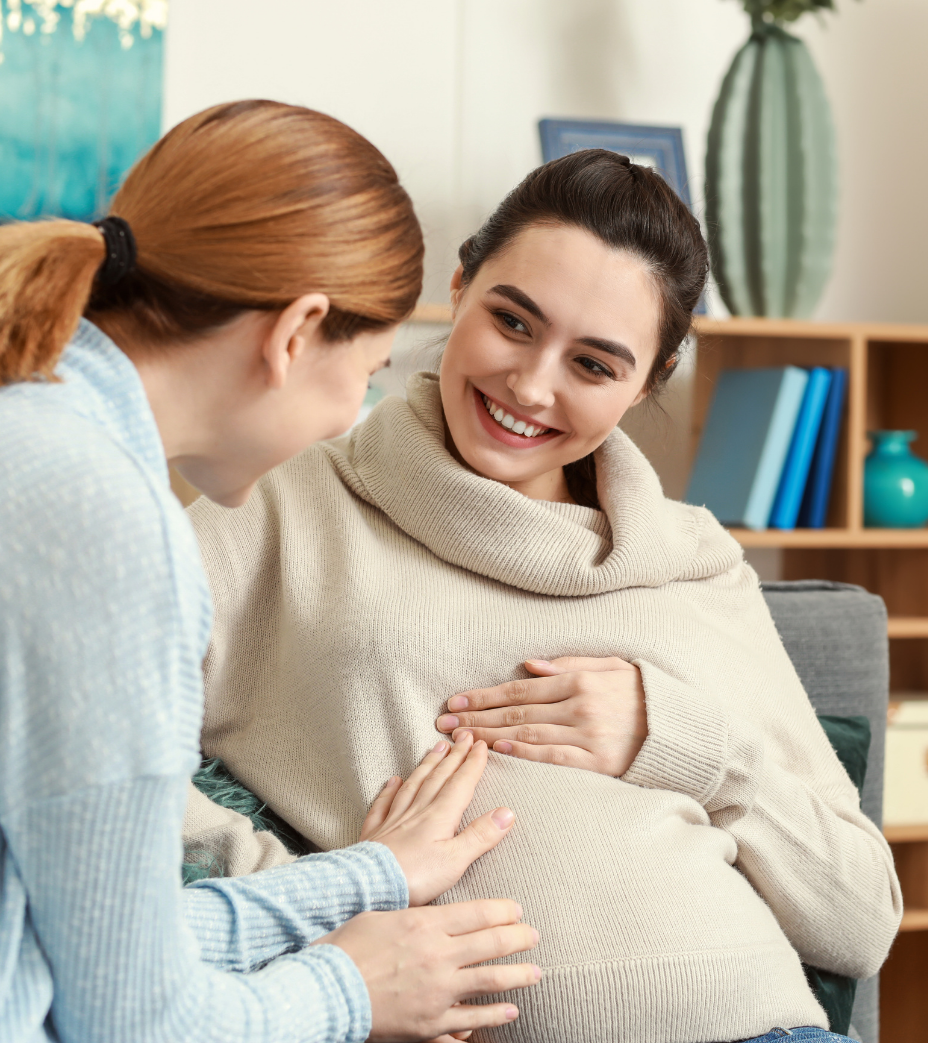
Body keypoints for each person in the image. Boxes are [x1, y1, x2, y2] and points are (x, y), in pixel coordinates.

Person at [0, 100, 543, 1043]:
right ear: (295, 333)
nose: (350, 416)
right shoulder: (101, 523)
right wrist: (349, 994)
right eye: (368, 372)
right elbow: (133, 1019)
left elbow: (95, 937)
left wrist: (368, 879)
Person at [182, 149, 903, 1043]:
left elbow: (862, 922)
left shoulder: (696, 565)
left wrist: (680, 742)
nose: (529, 386)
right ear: (461, 282)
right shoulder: (280, 500)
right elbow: (104, 765)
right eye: (513, 321)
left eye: (595, 365)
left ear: (649, 382)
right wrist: (337, 918)